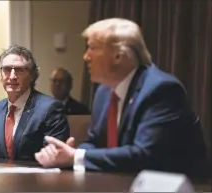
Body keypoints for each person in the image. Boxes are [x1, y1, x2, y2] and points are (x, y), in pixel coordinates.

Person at [35, 18, 206, 173]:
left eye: (92, 48)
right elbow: (95, 142)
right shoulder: (104, 91)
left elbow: (145, 155)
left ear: (118, 55)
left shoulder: (161, 89)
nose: (85, 56)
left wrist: (76, 156)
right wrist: (66, 153)